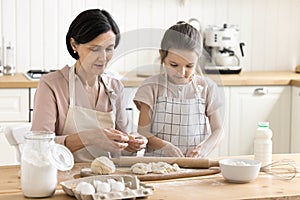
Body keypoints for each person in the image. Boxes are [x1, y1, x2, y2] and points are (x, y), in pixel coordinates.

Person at [31, 9, 147, 162]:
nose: (103, 58)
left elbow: (123, 150)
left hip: (107, 178)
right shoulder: (52, 85)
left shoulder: (115, 87)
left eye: (109, 48)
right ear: (74, 45)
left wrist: (132, 144)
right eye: (95, 49)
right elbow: (40, 147)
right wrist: (89, 137)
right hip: (63, 177)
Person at [133, 21, 224, 157]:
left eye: (189, 66)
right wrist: (165, 147)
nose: (181, 72)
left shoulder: (207, 87)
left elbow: (218, 130)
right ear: (162, 55)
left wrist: (203, 148)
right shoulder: (150, 87)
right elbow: (143, 132)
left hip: (194, 165)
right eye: (174, 64)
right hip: (157, 164)